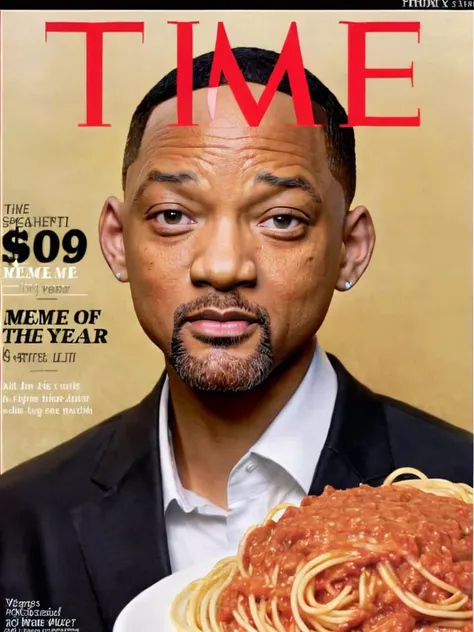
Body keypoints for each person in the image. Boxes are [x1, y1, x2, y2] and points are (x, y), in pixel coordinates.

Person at [0, 48, 472, 632]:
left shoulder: (462, 493)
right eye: (174, 215)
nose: (223, 267)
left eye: (280, 219)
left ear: (350, 248)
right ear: (118, 241)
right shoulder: (18, 522)